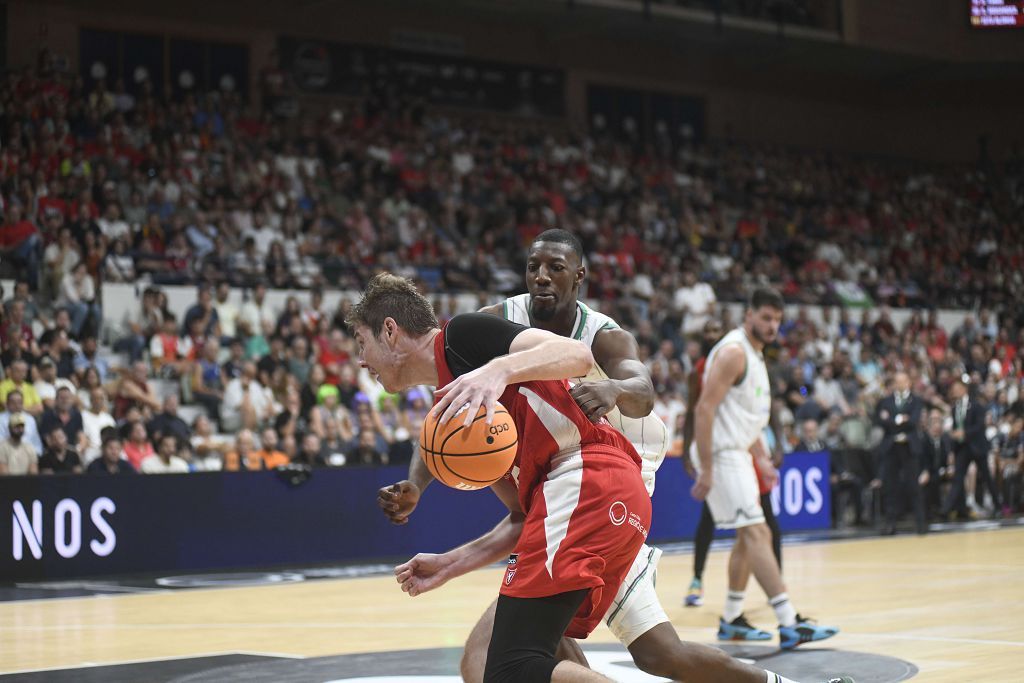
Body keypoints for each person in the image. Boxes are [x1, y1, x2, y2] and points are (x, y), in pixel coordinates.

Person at [381, 234, 839, 683]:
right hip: (567, 492)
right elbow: (450, 413)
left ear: (579, 276)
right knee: (659, 652)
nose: (541, 277)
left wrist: (614, 389)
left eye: (555, 268)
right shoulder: (499, 320)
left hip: (602, 483)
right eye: (533, 266)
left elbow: (641, 392)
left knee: (497, 659)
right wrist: (418, 483)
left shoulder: (602, 335)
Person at [353, 271, 650, 683]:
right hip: (593, 496)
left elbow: (579, 356)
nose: (361, 360)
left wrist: (496, 371)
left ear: (390, 331)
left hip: (589, 480)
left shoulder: (461, 337)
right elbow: (522, 518)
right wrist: (451, 564)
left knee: (513, 665)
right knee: (483, 660)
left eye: (362, 343)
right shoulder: (462, 409)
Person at [691, 287, 839, 649]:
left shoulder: (756, 356)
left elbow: (747, 418)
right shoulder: (733, 353)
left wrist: (760, 457)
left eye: (777, 320)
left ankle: (732, 619)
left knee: (747, 536)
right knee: (759, 534)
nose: (772, 325)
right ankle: (789, 622)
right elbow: (704, 410)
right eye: (766, 318)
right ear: (749, 316)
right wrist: (707, 468)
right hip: (722, 454)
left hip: (738, 452)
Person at [683, 320, 783, 609]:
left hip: (746, 447)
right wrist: (699, 457)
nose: (714, 336)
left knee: (762, 523)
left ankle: (775, 582)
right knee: (715, 523)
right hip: (719, 451)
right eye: (709, 332)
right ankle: (698, 579)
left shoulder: (750, 359)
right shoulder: (709, 366)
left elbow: (764, 408)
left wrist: (767, 451)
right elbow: (697, 411)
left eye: (717, 331)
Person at [875, 372, 928, 535]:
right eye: (897, 382)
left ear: (909, 383)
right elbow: (880, 421)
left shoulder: (916, 400)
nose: (900, 384)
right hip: (892, 447)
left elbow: (913, 421)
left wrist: (893, 420)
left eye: (903, 381)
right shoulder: (886, 401)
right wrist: (900, 419)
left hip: (909, 447)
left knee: (913, 485)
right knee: (891, 486)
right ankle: (890, 523)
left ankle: (920, 523)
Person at [940, 376, 999, 519]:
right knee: (958, 479)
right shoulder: (955, 408)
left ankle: (998, 506)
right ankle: (948, 510)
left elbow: (979, 426)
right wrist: (954, 444)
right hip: (962, 448)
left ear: (964, 389)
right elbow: (956, 427)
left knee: (987, 478)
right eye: (954, 390)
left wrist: (964, 433)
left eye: (957, 389)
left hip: (978, 447)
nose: (955, 392)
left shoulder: (977, 405)